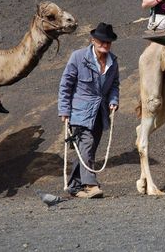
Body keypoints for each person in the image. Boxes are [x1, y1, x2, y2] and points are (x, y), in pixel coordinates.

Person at [58, 22, 120, 199]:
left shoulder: (113, 62)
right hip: (80, 112)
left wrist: (114, 100)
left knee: (88, 149)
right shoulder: (78, 57)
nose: (105, 44)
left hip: (100, 113)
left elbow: (114, 85)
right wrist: (64, 110)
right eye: (101, 41)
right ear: (93, 40)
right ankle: (91, 184)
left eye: (108, 42)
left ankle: (75, 187)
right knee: (86, 144)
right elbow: (65, 85)